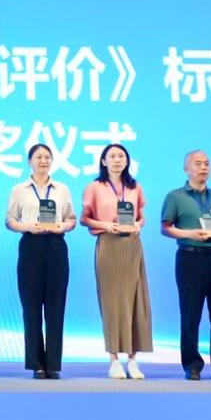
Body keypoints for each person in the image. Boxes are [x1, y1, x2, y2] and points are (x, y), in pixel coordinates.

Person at [160, 149, 211, 381]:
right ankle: (192, 364)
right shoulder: (175, 196)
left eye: (206, 163)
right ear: (186, 168)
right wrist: (190, 234)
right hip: (190, 257)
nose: (203, 167)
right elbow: (165, 228)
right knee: (190, 313)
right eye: (197, 163)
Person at [81, 143, 153, 380]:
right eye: (112, 156)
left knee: (135, 301)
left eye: (121, 156)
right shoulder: (94, 187)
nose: (117, 160)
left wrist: (137, 225)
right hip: (108, 244)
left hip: (132, 245)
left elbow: (141, 217)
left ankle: (133, 360)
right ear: (103, 161)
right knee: (112, 303)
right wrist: (106, 225)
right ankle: (113, 359)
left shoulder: (135, 187)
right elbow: (85, 219)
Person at [5, 143, 75, 379]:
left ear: (52, 161)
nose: (43, 161)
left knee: (56, 306)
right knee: (31, 306)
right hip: (30, 246)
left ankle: (53, 364)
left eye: (47, 157)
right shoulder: (19, 189)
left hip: (56, 246)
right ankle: (36, 364)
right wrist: (28, 226)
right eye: (38, 157)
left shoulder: (62, 189)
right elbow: (10, 221)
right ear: (29, 161)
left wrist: (60, 226)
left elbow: (71, 220)